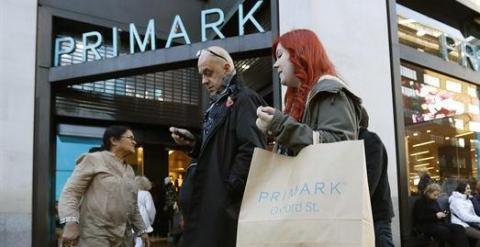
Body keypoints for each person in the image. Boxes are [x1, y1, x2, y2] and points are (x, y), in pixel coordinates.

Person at [169, 46, 266, 247]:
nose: (204, 81)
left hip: (221, 207)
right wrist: (195, 145)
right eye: (202, 75)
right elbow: (220, 151)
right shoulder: (219, 104)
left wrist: (227, 191)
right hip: (210, 204)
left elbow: (252, 149)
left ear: (227, 67)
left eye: (208, 73)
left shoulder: (245, 99)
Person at [255, 29, 362, 155]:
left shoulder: (329, 92)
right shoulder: (304, 98)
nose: (275, 65)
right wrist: (273, 129)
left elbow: (338, 146)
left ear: (299, 53)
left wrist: (280, 125)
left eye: (279, 56)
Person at [58, 125, 150, 247]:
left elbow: (132, 205)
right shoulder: (93, 159)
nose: (134, 141)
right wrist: (70, 222)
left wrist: (142, 230)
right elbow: (71, 192)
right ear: (114, 140)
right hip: (95, 235)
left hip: (124, 238)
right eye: (130, 138)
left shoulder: (129, 170)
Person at [358, 107, 395, 247]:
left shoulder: (370, 139)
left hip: (376, 213)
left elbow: (370, 178)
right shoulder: (361, 139)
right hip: (370, 212)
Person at [449, 182, 480, 246]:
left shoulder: (467, 199)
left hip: (470, 223)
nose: (470, 190)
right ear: (462, 189)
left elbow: (473, 214)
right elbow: (464, 217)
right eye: (468, 188)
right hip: (461, 225)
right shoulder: (455, 201)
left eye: (470, 188)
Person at [135, 176, 156, 247]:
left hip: (132, 220)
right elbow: (151, 209)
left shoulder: (132, 193)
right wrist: (150, 221)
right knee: (140, 242)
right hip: (143, 221)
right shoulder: (146, 194)